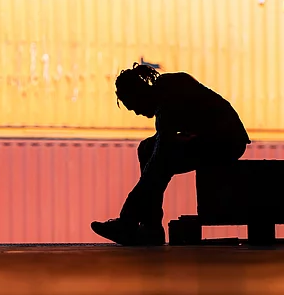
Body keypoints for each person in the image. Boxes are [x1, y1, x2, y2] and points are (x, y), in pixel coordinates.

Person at [92, 64, 251, 245]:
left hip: (226, 143)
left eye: (133, 106)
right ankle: (149, 227)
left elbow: (161, 153)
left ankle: (137, 225)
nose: (136, 112)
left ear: (140, 93)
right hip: (214, 138)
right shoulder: (167, 90)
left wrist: (128, 211)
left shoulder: (167, 99)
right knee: (147, 148)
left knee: (160, 161)